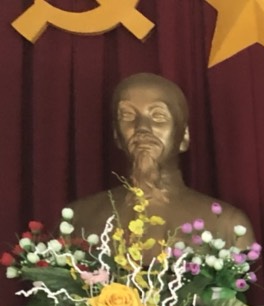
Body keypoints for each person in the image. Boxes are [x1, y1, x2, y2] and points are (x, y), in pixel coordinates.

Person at [69, 73, 253, 248]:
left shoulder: (228, 225)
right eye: (128, 115)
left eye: (158, 116)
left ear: (184, 136)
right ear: (116, 134)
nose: (142, 128)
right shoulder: (78, 219)